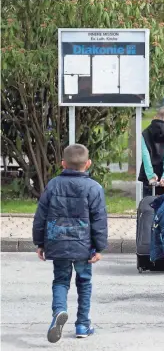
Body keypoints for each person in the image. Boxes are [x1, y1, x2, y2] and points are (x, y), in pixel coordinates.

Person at [32, 144, 108, 343]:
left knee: (60, 281)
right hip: (84, 247)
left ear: (63, 164)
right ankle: (82, 324)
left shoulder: (53, 185)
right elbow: (99, 220)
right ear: (88, 163)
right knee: (84, 282)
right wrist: (99, 247)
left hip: (57, 243)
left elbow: (40, 216)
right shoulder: (94, 188)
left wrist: (40, 242)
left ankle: (59, 311)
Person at [139, 107, 164, 197]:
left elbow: (145, 155)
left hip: (148, 176)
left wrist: (150, 176)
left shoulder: (145, 132)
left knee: (148, 206)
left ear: (155, 117)